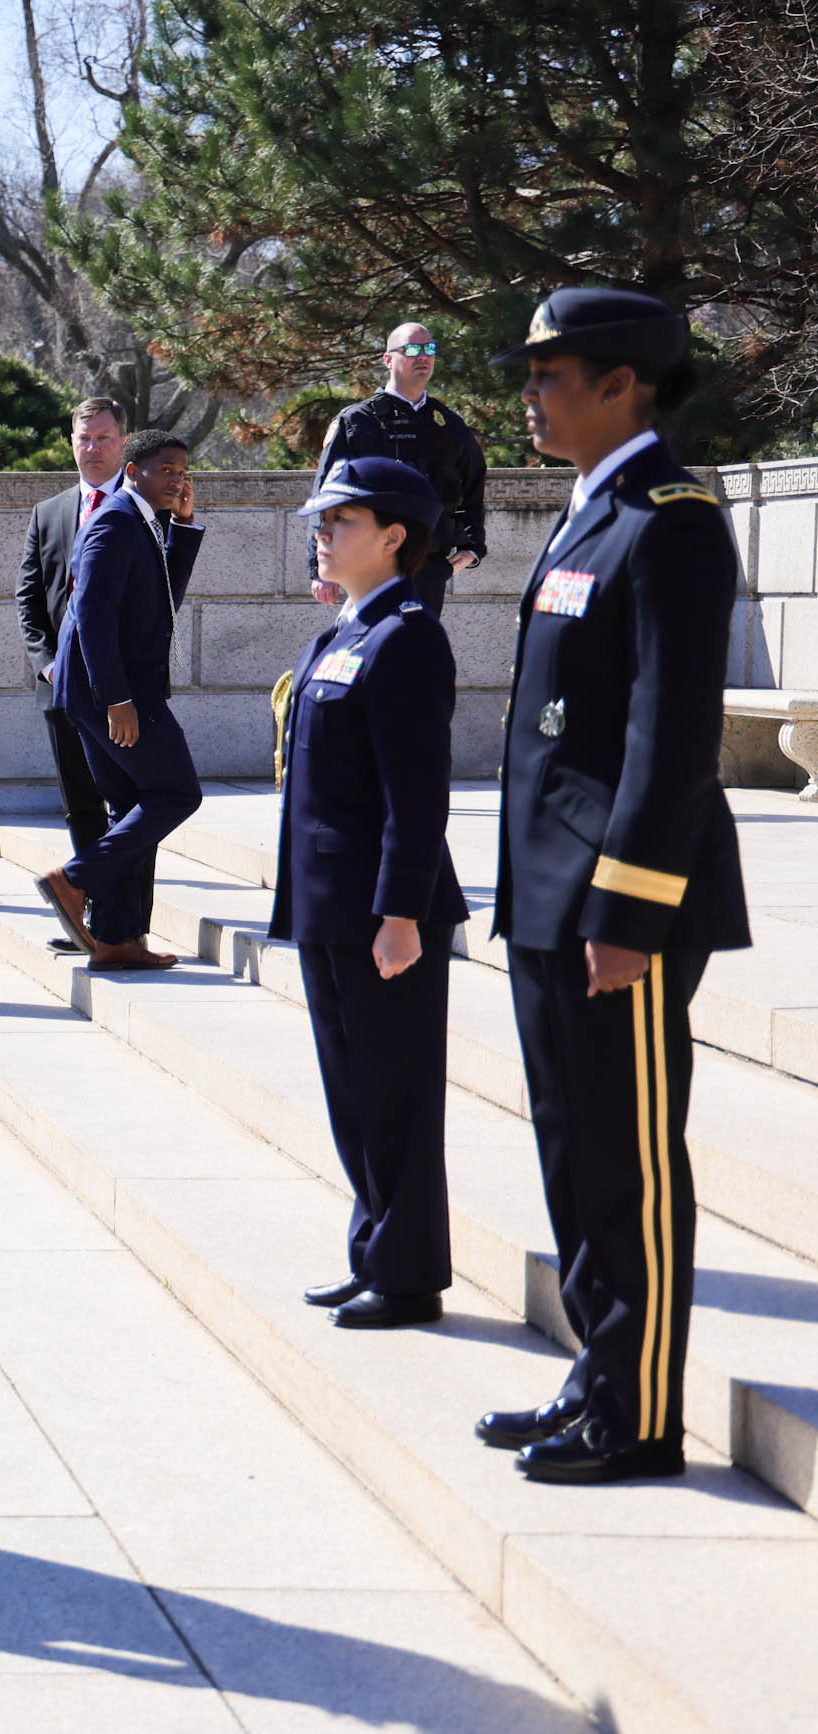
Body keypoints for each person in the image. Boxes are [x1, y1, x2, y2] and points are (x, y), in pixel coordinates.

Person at [471, 288, 751, 1486]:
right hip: (547, 892)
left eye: (551, 373)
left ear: (622, 385)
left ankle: (638, 1418)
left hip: (613, 906)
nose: (529, 394)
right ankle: (597, 1377)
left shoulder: (669, 519)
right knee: (571, 1154)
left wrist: (627, 910)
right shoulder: (591, 514)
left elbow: (669, 734)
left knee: (627, 1166)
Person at [273, 458, 468, 1331]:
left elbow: (417, 794)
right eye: (321, 519)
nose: (321, 531)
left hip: (382, 912)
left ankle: (410, 1274)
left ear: (393, 537)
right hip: (329, 903)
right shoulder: (348, 629)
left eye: (340, 521)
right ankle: (374, 1251)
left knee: (395, 1095)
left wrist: (399, 912)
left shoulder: (407, 637)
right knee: (353, 1094)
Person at [35, 430, 204, 971]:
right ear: (133, 472)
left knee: (132, 808)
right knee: (178, 793)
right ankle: (75, 879)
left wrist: (183, 527)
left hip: (111, 690)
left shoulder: (146, 521)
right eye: (165, 470)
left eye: (182, 470)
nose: (177, 479)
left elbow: (165, 601)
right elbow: (92, 613)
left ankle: (115, 938)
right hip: (113, 692)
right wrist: (116, 700)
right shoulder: (113, 519)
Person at [17, 399, 136, 955]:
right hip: (60, 689)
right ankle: (85, 918)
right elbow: (29, 598)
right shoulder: (50, 512)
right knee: (81, 805)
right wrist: (45, 659)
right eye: (83, 438)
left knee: (126, 806)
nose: (92, 448)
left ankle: (121, 924)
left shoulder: (141, 506)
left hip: (122, 694)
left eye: (104, 438)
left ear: (123, 441)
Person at [305, 323, 488, 616]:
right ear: (387, 359)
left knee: (418, 654)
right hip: (371, 562)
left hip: (429, 566)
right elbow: (326, 498)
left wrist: (473, 547)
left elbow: (473, 486)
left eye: (430, 349)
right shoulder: (357, 422)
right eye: (412, 350)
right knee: (369, 649)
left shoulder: (448, 424)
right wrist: (320, 568)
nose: (423, 357)